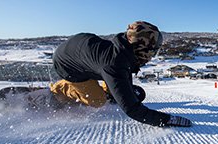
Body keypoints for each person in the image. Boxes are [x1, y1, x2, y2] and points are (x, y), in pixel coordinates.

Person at [49, 21, 192, 127]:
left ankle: (106, 91)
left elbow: (122, 78)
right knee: (98, 101)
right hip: (67, 65)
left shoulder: (122, 49)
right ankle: (57, 91)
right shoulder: (114, 64)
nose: (152, 56)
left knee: (125, 92)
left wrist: (125, 92)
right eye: (152, 51)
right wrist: (168, 119)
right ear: (141, 47)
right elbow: (132, 110)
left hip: (81, 52)